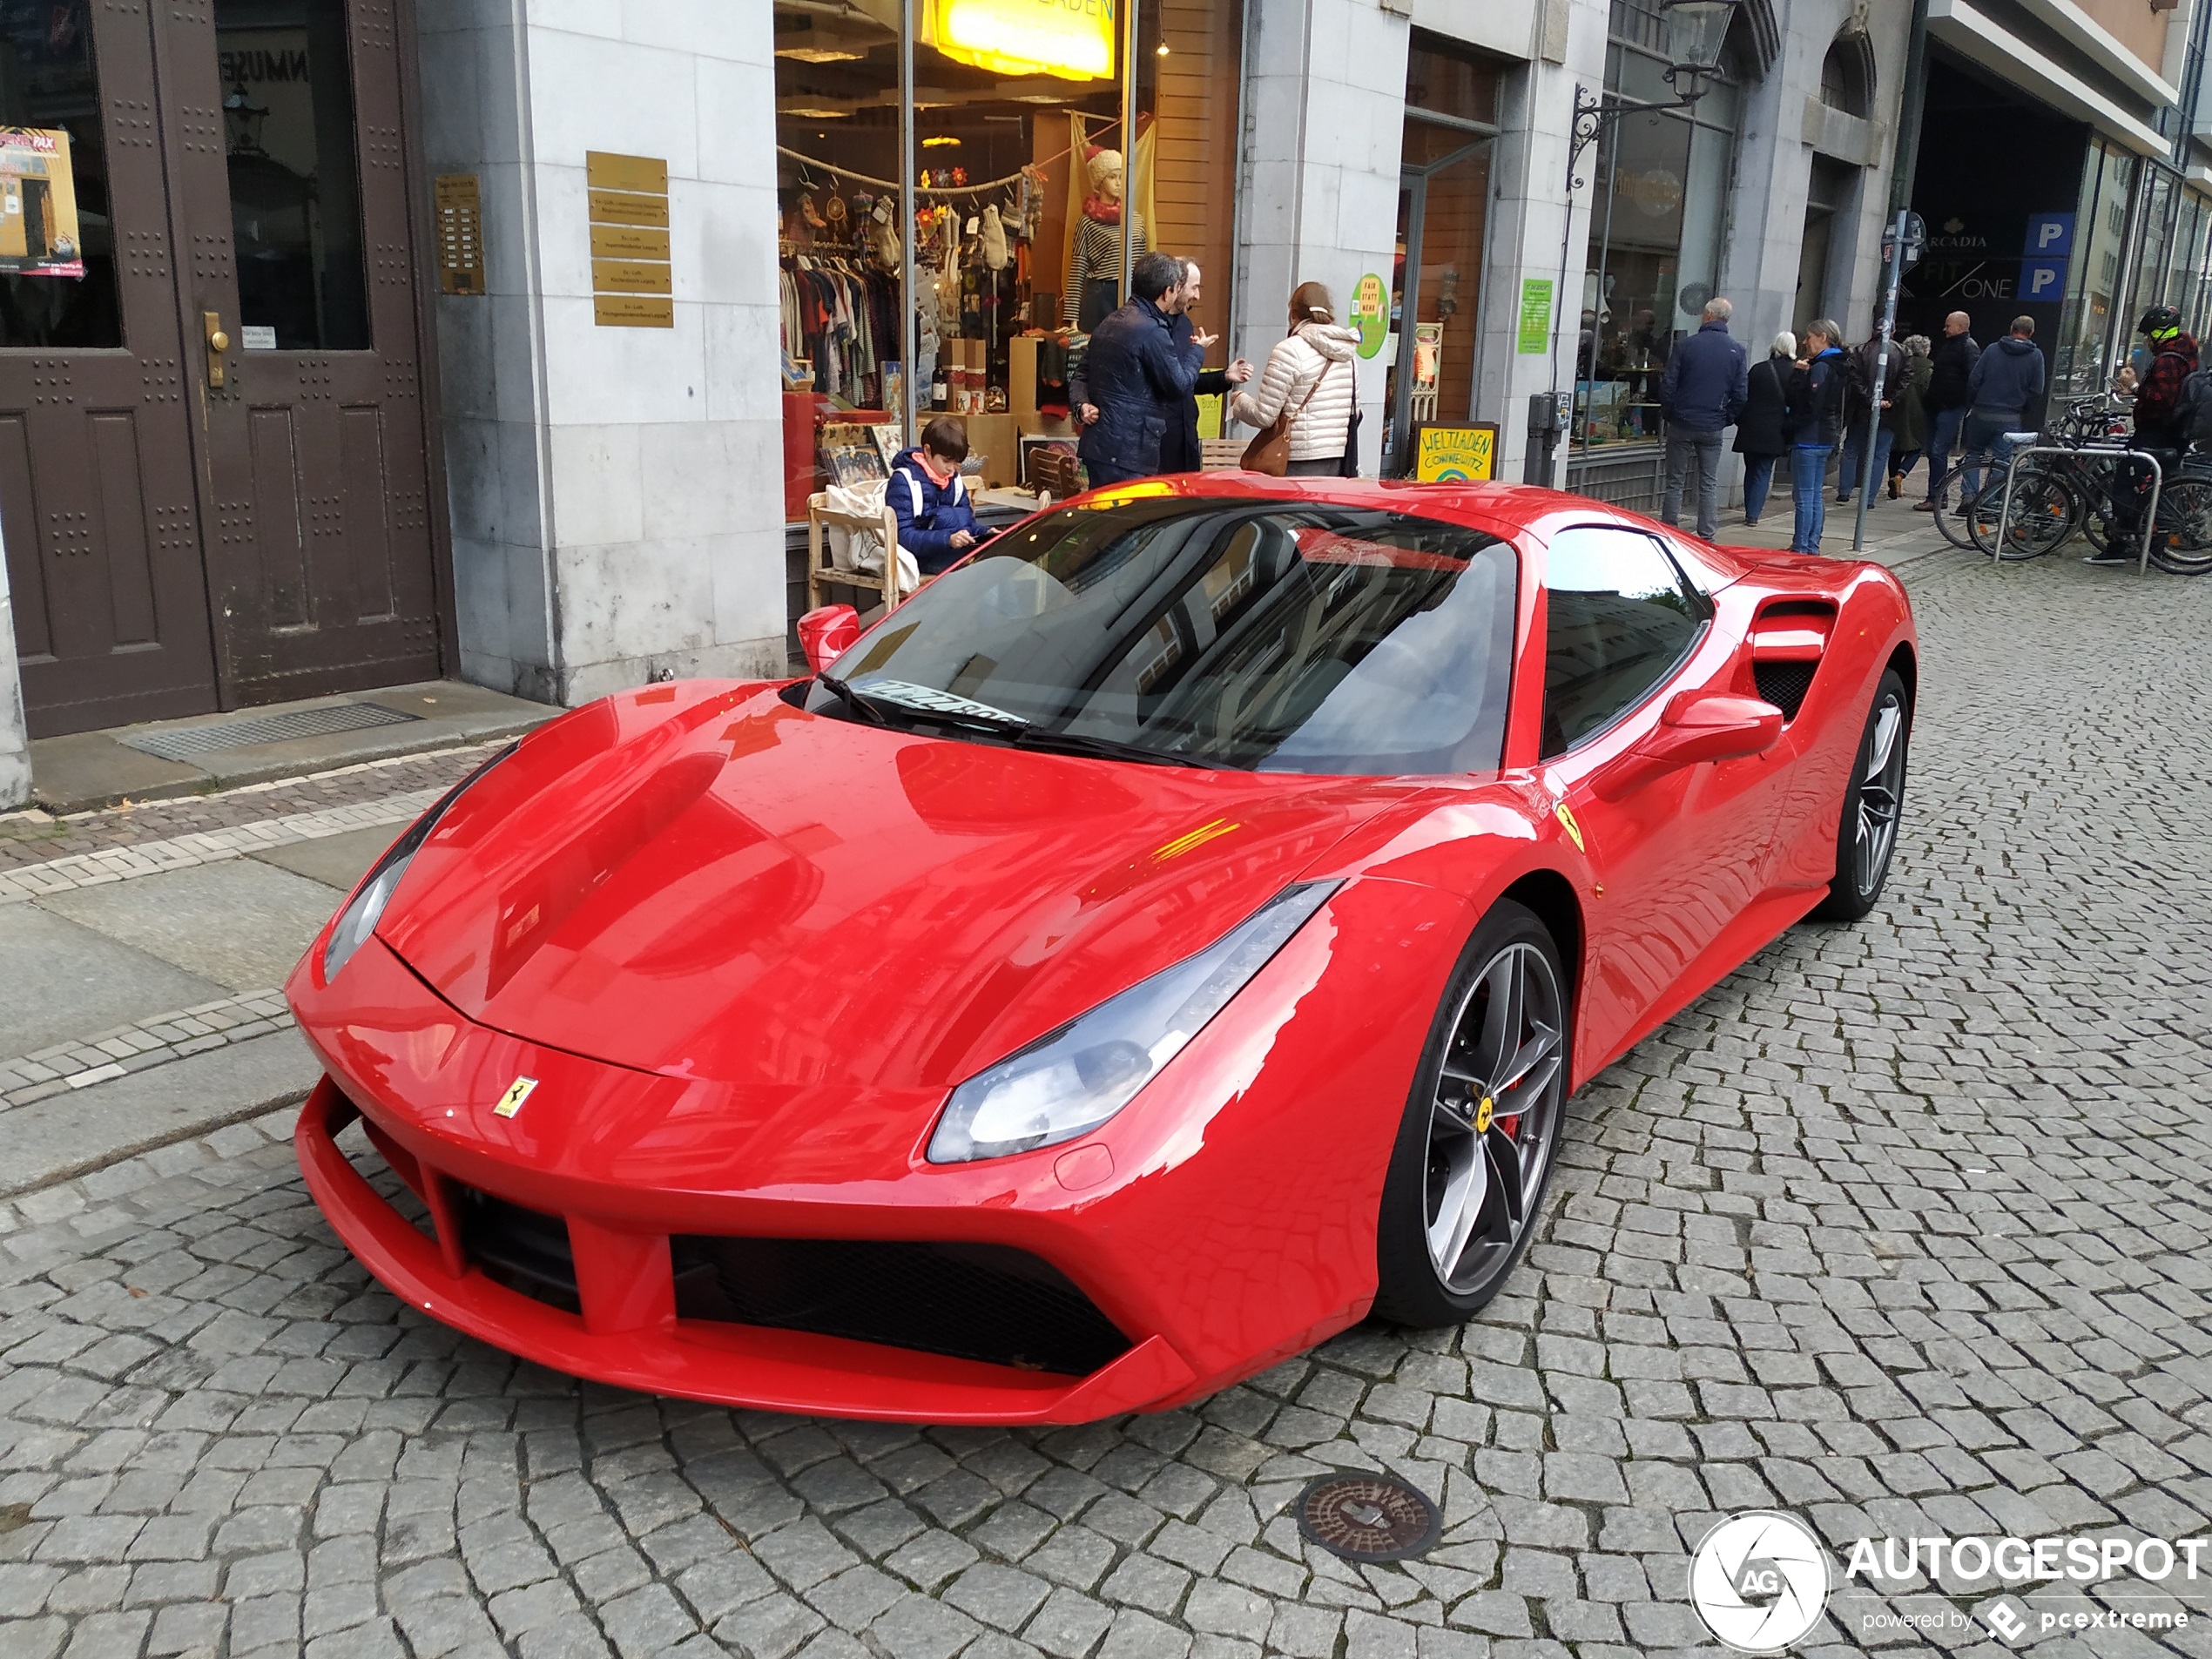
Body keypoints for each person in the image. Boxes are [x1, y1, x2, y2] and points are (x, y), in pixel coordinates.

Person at [1069, 250, 1204, 487]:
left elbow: (1081, 374)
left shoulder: (1110, 321)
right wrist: (1198, 351)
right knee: (1127, 520)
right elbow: (1178, 385)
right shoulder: (1152, 331)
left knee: (1105, 518)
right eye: (1177, 288)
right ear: (1167, 292)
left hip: (1102, 447)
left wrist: (1081, 405)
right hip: (1130, 452)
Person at [2094, 304, 2198, 565]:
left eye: (2149, 334)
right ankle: (2154, 548)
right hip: (2174, 434)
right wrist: (2136, 391)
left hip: (2157, 434)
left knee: (2125, 482)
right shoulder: (2186, 353)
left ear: (2159, 333)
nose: (2147, 340)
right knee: (2159, 490)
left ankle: (2124, 541)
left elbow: (2163, 399)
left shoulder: (2168, 359)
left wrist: (2135, 386)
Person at [1231, 280, 1361, 476]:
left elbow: (1264, 416)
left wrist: (1238, 400)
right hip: (1338, 463)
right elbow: (1355, 411)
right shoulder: (1348, 355)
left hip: (1295, 461)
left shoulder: (1288, 350)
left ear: (1293, 316)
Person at [1656, 296, 1748, 539]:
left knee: (1675, 480)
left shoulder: (1687, 346)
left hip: (1682, 421)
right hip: (1712, 423)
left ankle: (1669, 531)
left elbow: (1668, 384)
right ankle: (1707, 534)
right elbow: (1740, 394)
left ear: (1708, 315)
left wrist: (1670, 412)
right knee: (1708, 482)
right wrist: (1725, 418)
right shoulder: (1736, 350)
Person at [1159, 260, 1252, 474]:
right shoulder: (1151, 326)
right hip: (1160, 440)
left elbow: (1186, 380)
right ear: (1177, 286)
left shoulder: (1184, 324)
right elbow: (1172, 380)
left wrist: (1225, 377)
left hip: (1187, 435)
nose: (1197, 296)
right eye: (1195, 287)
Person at [1959, 315, 2046, 500]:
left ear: (2011, 328)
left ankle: (1968, 497)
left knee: (1974, 454)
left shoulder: (1992, 350)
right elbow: (2036, 390)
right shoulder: (2036, 356)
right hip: (2009, 417)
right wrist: (2023, 408)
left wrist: (1974, 402)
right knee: (2002, 461)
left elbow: (1974, 380)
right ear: (2031, 333)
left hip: (1981, 413)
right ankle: (1990, 502)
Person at [1784, 320, 1850, 555]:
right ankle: (1811, 543)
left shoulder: (1821, 367)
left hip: (1810, 437)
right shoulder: (1837, 365)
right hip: (1825, 435)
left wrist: (1798, 376)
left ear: (1823, 337)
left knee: (1805, 497)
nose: (1805, 342)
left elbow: (1809, 404)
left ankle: (1803, 545)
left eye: (1809, 337)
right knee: (1814, 494)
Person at [889, 416, 981, 576]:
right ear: (928, 451)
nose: (952, 469)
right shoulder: (904, 482)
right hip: (923, 561)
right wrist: (947, 539)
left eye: (957, 462)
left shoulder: (955, 482)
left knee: (994, 569)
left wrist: (986, 532)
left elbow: (968, 525)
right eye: (947, 461)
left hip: (954, 556)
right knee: (981, 577)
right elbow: (902, 537)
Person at [1914, 311, 1978, 511]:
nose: (1945, 329)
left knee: (1938, 450)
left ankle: (1937, 495)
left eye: (1948, 325)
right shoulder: (1950, 346)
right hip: (1937, 405)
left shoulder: (1968, 348)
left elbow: (1973, 378)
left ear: (1960, 326)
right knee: (1934, 450)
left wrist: (1963, 402)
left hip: (1950, 406)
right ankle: (1935, 494)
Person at [1733, 330, 1794, 528]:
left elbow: (1743, 396)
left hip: (1751, 428)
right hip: (1775, 431)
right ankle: (1753, 513)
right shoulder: (1795, 373)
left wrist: (1740, 420)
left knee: (1750, 469)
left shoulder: (1758, 369)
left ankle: (1750, 508)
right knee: (1763, 471)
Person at [1837, 320, 1894, 506]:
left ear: (1873, 331)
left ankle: (1845, 490)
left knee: (1852, 449)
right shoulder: (1901, 352)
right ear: (1893, 332)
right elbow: (1905, 380)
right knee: (1879, 455)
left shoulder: (1860, 351)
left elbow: (1853, 379)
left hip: (1861, 410)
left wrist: (1868, 398)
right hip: (1887, 412)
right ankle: (1868, 498)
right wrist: (1891, 400)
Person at [1885, 335, 1932, 498]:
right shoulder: (1928, 371)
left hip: (1896, 411)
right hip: (1918, 414)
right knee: (1916, 448)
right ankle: (1900, 475)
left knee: (1895, 449)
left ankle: (1893, 479)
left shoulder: (1899, 367)